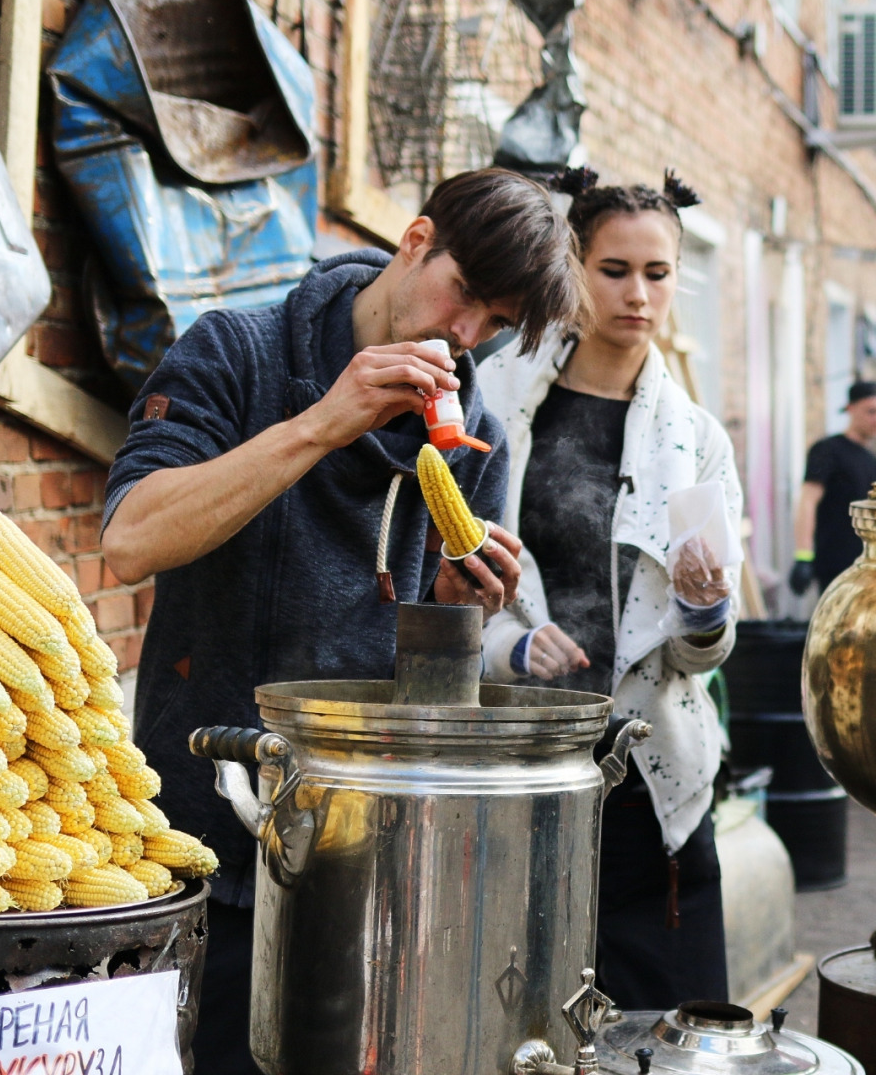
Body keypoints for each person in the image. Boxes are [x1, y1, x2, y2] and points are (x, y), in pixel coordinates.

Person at [101, 168, 581, 1073]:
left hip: (359, 861)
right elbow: (130, 539)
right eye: (465, 295)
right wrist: (324, 421)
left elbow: (435, 700)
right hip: (197, 827)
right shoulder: (236, 352)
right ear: (413, 239)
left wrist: (454, 614)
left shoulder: (478, 433)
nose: (465, 336)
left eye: (497, 325)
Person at [477, 167, 741, 1009]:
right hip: (518, 771)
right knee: (520, 1017)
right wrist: (511, 647)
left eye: (657, 274)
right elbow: (432, 588)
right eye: (614, 270)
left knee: (670, 1029)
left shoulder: (696, 441)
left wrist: (705, 605)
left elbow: (704, 655)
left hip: (652, 781)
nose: (637, 294)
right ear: (573, 267)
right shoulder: (495, 408)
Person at [789, 381, 876, 595]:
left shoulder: (874, 462)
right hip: (835, 568)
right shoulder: (827, 450)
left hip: (869, 568)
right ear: (850, 409)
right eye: (871, 411)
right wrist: (803, 556)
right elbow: (808, 501)